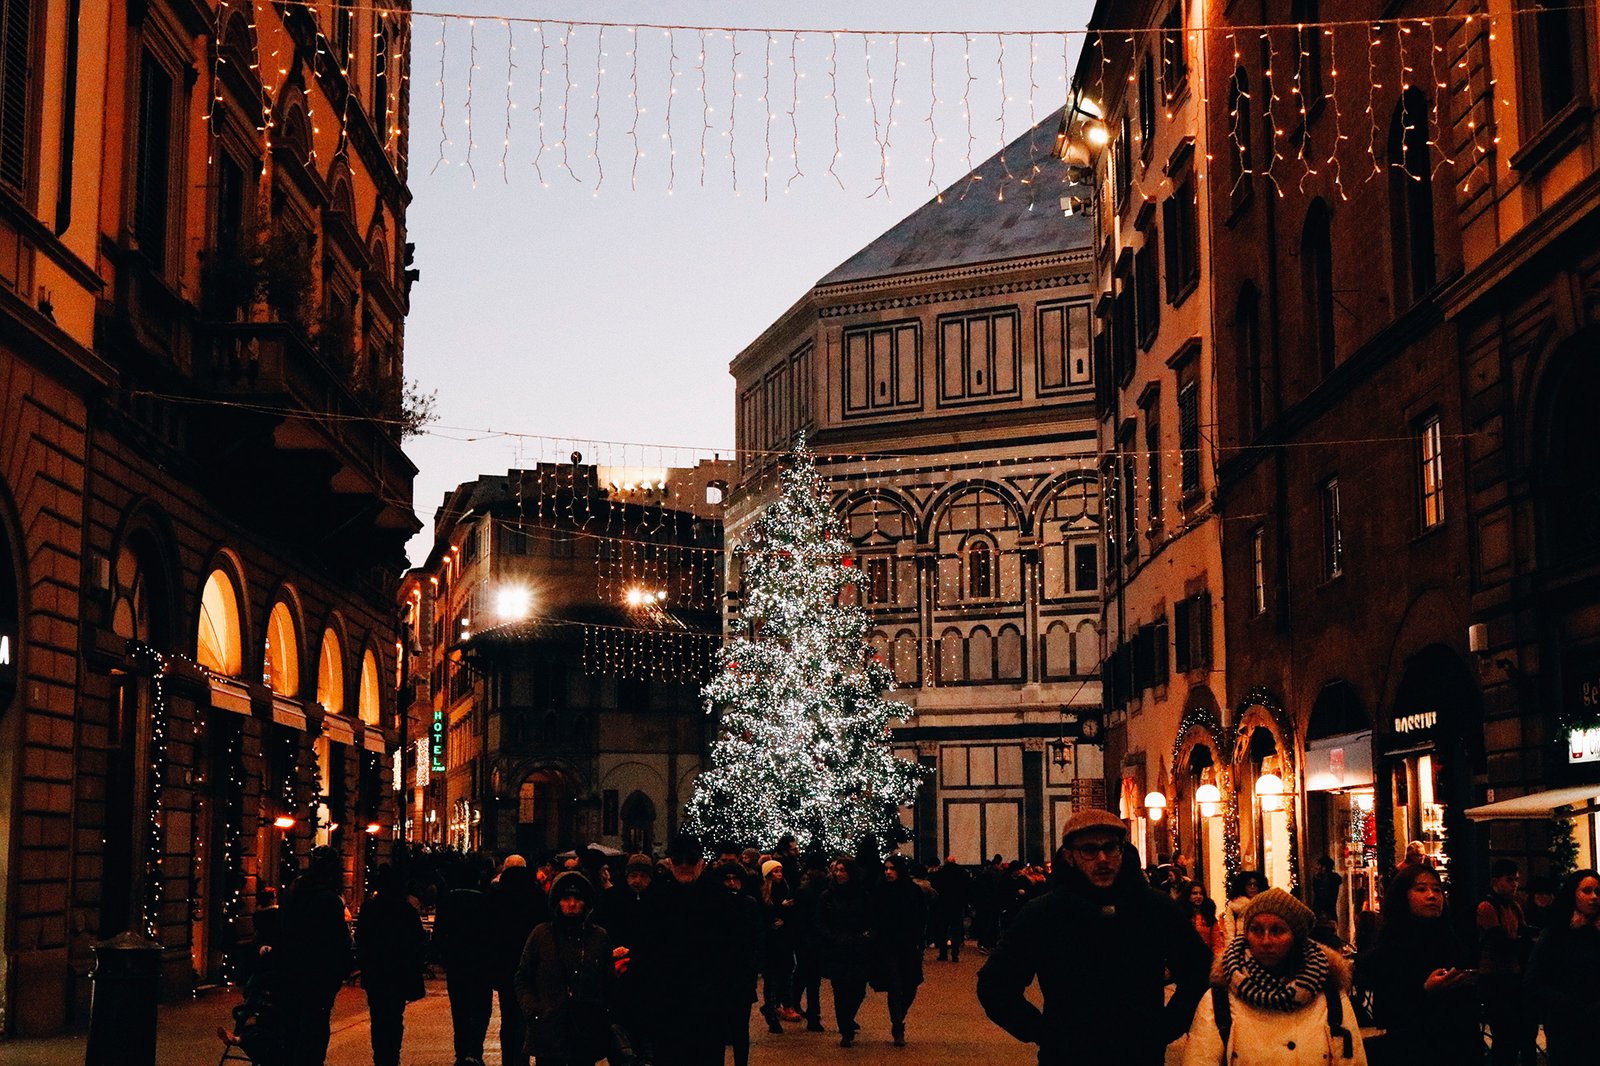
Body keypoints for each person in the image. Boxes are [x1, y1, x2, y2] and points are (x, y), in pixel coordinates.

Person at [977, 809, 1212, 1066]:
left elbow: (1198, 969)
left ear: (1121, 850)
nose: (1102, 859)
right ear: (1070, 856)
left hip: (1139, 1057)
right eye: (1089, 850)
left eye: (1110, 848)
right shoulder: (1044, 913)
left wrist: (1164, 1028)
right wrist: (1044, 1032)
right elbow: (995, 985)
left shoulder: (1155, 908)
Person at [1183, 887, 1367, 1065]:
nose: (1265, 941)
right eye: (1256, 930)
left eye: (1277, 931)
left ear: (1296, 937)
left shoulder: (1330, 997)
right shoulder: (1219, 1000)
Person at [1355, 862, 1482, 1066]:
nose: (1432, 896)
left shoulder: (1451, 938)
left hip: (1458, 1046)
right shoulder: (1393, 944)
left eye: (1437, 890)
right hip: (1413, 1049)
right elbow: (1387, 1010)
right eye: (1421, 889)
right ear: (1403, 896)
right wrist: (1425, 989)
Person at [515, 871, 618, 1066]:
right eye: (565, 899)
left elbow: (608, 981)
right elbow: (523, 978)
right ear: (557, 902)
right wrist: (534, 1011)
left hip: (585, 1032)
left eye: (577, 899)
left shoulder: (599, 937)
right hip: (549, 1031)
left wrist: (601, 1014)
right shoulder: (541, 935)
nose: (571, 904)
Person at [277, 846, 354, 1066]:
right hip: (320, 972)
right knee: (316, 1023)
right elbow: (337, 940)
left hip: (292, 966)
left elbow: (283, 927)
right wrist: (343, 968)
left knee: (294, 1021)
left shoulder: (293, 892)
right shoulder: (329, 899)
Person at [1523, 868, 1600, 1066]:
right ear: (1573, 894)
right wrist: (1569, 1003)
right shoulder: (1556, 933)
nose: (1594, 897)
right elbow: (1533, 982)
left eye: (1598, 892)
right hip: (1567, 1025)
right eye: (1587, 891)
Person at [355, 864, 428, 1066]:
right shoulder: (406, 910)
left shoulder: (369, 908)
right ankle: (392, 1056)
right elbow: (417, 941)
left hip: (376, 973)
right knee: (395, 1017)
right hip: (398, 974)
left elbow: (361, 939)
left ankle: (380, 1056)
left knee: (378, 1017)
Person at [434, 857, 496, 1066]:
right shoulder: (485, 901)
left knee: (459, 1009)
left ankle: (461, 1051)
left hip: (456, 964)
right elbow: (492, 934)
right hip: (480, 964)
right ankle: (475, 1050)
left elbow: (439, 933)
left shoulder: (448, 901)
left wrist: (444, 957)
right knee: (481, 1008)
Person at [488, 855, 549, 1066]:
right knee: (532, 1016)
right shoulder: (538, 896)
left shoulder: (496, 896)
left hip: (506, 967)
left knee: (509, 1019)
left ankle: (511, 1061)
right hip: (533, 966)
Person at [1476, 859, 1535, 1066]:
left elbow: (1524, 933)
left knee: (1516, 1032)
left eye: (1516, 880)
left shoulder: (1514, 906)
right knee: (1504, 1033)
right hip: (1493, 977)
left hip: (1512, 974)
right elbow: (1499, 942)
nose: (1515, 884)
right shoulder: (1487, 906)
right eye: (1510, 880)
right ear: (1495, 881)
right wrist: (1524, 943)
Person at [709, 860, 763, 1066]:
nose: (732, 883)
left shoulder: (749, 904)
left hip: (742, 975)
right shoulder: (714, 905)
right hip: (719, 976)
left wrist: (753, 968)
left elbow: (757, 937)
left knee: (740, 1028)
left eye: (735, 879)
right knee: (718, 1030)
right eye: (727, 879)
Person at [871, 854, 928, 1046]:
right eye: (886, 868)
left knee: (910, 985)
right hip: (887, 945)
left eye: (892, 868)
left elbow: (921, 917)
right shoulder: (880, 891)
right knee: (895, 985)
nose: (888, 872)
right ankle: (897, 1024)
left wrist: (920, 940)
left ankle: (899, 1017)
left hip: (908, 944)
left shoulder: (912, 891)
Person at [817, 854, 873, 1047]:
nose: (839, 874)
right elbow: (820, 921)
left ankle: (848, 1019)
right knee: (840, 990)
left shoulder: (862, 895)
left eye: (843, 870)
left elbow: (870, 919)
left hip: (857, 948)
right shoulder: (827, 896)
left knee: (858, 990)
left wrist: (865, 937)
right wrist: (831, 937)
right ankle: (845, 1029)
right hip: (837, 949)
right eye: (837, 870)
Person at [757, 859, 798, 1032]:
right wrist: (781, 909)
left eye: (780, 871)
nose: (779, 874)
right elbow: (764, 914)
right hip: (770, 941)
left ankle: (782, 1005)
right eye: (775, 871)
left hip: (785, 940)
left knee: (786, 973)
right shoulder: (763, 892)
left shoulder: (786, 888)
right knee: (772, 978)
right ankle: (772, 1010)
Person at [928, 855, 971, 962]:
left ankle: (943, 954)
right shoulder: (962, 873)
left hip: (943, 904)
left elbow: (935, 888)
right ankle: (955, 954)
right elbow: (967, 888)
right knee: (956, 929)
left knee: (942, 929)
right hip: (957, 904)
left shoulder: (940, 873)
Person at [1221, 871, 1266, 944]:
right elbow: (1229, 928)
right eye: (1249, 885)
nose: (1252, 887)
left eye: (1255, 885)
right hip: (1240, 943)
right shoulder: (1234, 904)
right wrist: (1231, 945)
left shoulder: (1264, 904)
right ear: (1243, 886)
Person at [1186, 881, 1226, 955]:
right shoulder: (1183, 915)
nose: (1198, 896)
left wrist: (1216, 958)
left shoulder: (1209, 916)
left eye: (1201, 894)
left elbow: (1216, 942)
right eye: (1195, 893)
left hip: (1206, 956)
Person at [1311, 856, 1342, 922]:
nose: (1316, 867)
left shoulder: (1326, 880)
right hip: (1330, 913)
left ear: (1324, 867)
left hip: (1324, 914)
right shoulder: (1333, 879)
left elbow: (1322, 897)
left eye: (1318, 865)